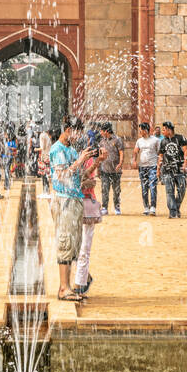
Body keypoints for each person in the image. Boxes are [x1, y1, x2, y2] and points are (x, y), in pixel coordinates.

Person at [49, 116, 94, 302]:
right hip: (64, 200)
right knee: (66, 241)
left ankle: (68, 285)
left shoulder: (71, 150)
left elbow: (78, 175)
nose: (78, 136)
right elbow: (61, 176)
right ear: (68, 130)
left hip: (75, 198)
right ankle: (63, 287)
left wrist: (95, 163)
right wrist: (80, 159)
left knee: (74, 243)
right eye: (76, 132)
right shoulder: (57, 150)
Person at [74, 161, 103, 298]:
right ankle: (84, 277)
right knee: (70, 249)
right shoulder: (68, 155)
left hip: (86, 206)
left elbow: (90, 183)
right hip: (71, 207)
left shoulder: (89, 160)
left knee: (84, 248)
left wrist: (75, 184)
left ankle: (79, 285)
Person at [158, 121, 187, 219]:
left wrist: (185, 163)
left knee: (182, 189)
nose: (162, 132)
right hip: (167, 170)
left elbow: (185, 151)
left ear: (169, 129)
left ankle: (176, 207)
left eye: (164, 129)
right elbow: (161, 156)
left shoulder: (181, 138)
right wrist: (158, 169)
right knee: (169, 191)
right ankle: (173, 212)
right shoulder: (163, 141)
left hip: (180, 169)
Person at [133, 122, 161, 216]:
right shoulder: (139, 141)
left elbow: (160, 153)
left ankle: (153, 207)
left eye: (141, 129)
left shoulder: (155, 140)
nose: (140, 131)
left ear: (146, 130)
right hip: (142, 167)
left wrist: (158, 166)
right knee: (144, 187)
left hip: (152, 166)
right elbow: (135, 151)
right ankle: (146, 207)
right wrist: (134, 160)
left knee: (153, 186)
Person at [96, 123, 123, 216]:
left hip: (115, 170)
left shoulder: (117, 140)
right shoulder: (101, 141)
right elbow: (100, 155)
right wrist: (98, 168)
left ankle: (117, 207)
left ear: (106, 131)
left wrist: (120, 163)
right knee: (104, 189)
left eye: (102, 131)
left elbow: (121, 152)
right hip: (105, 170)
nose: (100, 132)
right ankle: (104, 207)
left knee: (116, 190)